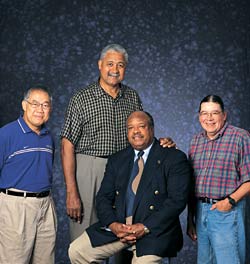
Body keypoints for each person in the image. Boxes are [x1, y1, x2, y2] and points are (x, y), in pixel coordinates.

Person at [60, 43, 174, 241]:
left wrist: (161, 143)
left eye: (120, 65)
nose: (114, 70)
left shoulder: (132, 97)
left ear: (125, 68)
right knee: (85, 238)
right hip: (90, 168)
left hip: (125, 169)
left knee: (126, 232)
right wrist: (71, 191)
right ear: (100, 65)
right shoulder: (81, 98)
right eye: (110, 64)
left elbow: (141, 133)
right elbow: (67, 145)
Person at [68, 111, 190, 264]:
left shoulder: (173, 157)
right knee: (77, 251)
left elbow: (177, 201)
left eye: (141, 126)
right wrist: (113, 225)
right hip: (120, 228)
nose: (136, 132)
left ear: (151, 129)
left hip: (153, 230)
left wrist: (144, 227)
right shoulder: (117, 159)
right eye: (131, 128)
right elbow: (103, 198)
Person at [187, 95, 250, 264]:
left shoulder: (240, 137)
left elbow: (249, 180)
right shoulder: (196, 142)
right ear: (199, 116)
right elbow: (191, 185)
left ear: (224, 115)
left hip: (227, 211)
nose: (209, 118)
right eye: (204, 113)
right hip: (201, 212)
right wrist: (190, 220)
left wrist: (229, 201)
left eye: (214, 113)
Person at [0, 86, 57, 264]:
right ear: (24, 105)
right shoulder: (6, 134)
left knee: (45, 260)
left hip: (46, 205)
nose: (40, 110)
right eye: (35, 104)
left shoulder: (49, 137)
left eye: (45, 105)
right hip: (16, 207)